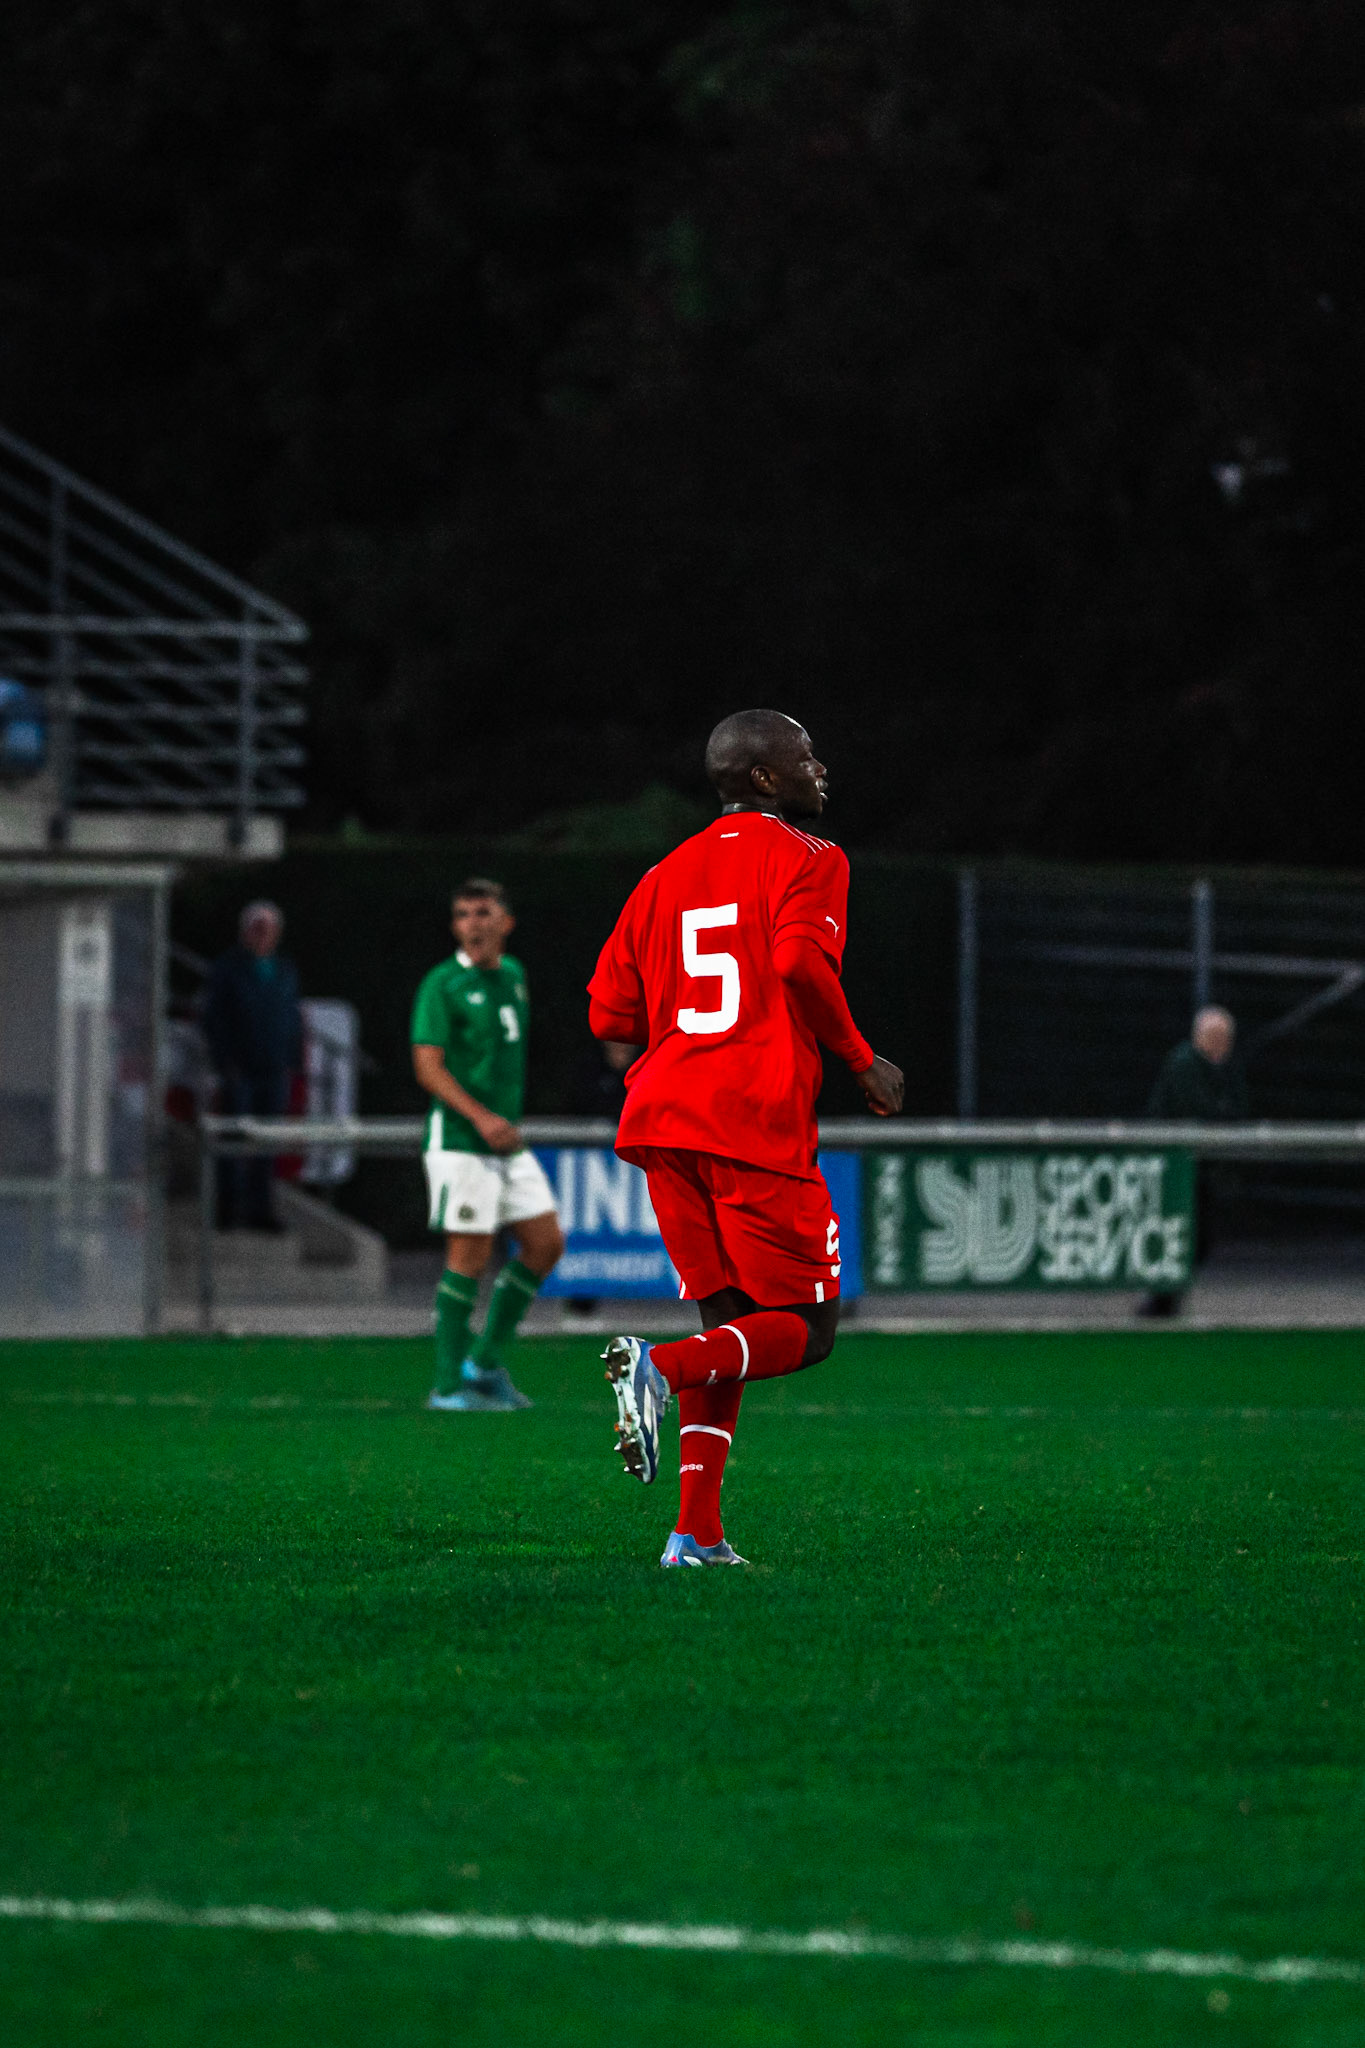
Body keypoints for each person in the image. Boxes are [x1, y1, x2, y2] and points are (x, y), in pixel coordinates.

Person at [587, 710, 904, 1566]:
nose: (820, 767)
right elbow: (801, 962)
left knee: (726, 1321)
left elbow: (606, 1011)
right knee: (808, 1326)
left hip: (661, 1119)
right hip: (750, 1117)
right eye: (804, 755)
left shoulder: (661, 875)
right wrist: (861, 1060)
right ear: (763, 778)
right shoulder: (811, 859)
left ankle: (694, 1533)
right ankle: (658, 1369)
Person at [411, 877, 565, 1411]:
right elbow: (427, 1066)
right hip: (460, 1140)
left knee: (546, 1244)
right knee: (469, 1257)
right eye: (462, 915)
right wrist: (481, 1118)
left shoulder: (514, 976)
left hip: (503, 1140)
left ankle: (485, 1361)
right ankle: (448, 1385)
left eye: (482, 912)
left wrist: (499, 1122)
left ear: (506, 922)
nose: (472, 923)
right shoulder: (442, 983)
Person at [1141, 1004, 1249, 1316]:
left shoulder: (1228, 1067)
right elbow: (1200, 1111)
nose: (1221, 1044)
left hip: (1205, 1169)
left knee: (1200, 1239)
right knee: (1173, 1234)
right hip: (1173, 1166)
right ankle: (1161, 1300)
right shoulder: (1183, 1062)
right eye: (1215, 1037)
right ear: (1199, 1036)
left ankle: (1166, 1298)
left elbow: (1238, 1110)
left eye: (1225, 1037)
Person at [203, 900, 302, 1231]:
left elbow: (292, 1019)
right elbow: (215, 1019)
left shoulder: (284, 970)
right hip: (240, 1068)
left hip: (273, 1069)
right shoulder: (227, 969)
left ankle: (261, 1209)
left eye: (269, 930)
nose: (263, 936)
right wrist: (225, 1061)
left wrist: (291, 1060)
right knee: (234, 1138)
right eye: (257, 929)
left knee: (267, 1142)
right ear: (245, 932)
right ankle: (227, 1208)